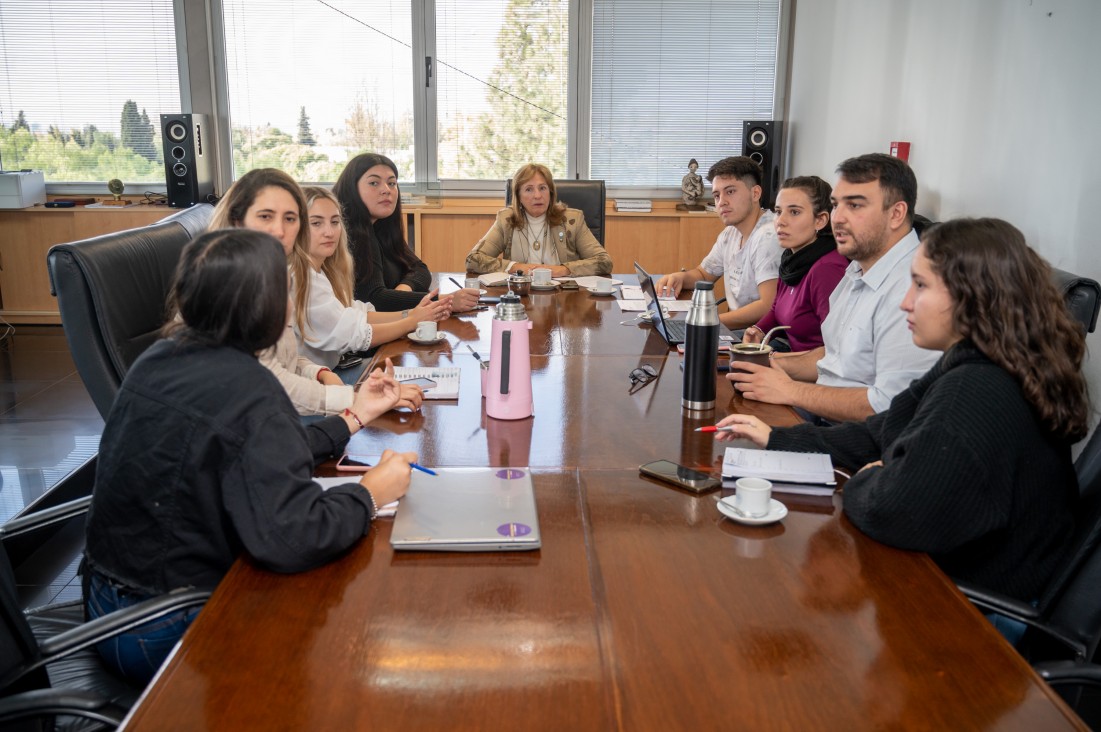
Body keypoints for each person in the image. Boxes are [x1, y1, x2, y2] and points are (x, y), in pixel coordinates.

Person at [82, 228, 418, 684]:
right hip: (162, 624)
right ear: (266, 307)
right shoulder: (248, 388)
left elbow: (252, 451)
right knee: (355, 633)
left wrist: (355, 417)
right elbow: (293, 536)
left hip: (106, 602)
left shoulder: (163, 356)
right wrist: (369, 494)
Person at [715, 217, 1088, 614]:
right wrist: (777, 439)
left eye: (922, 286)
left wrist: (872, 476)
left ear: (973, 297)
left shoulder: (979, 388)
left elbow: (891, 510)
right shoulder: (973, 361)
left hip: (979, 615)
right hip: (951, 576)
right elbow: (880, 431)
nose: (905, 301)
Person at [729, 153, 939, 422]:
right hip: (822, 412)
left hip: (850, 436)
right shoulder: (856, 270)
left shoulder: (911, 289)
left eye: (854, 206)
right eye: (837, 205)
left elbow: (886, 407)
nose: (837, 218)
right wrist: (765, 364)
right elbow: (831, 355)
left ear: (896, 213)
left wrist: (790, 390)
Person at [208, 168, 422, 416]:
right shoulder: (225, 285)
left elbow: (283, 359)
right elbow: (273, 383)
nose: (280, 230)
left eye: (289, 219)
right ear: (237, 220)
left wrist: (319, 373)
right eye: (266, 216)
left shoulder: (268, 276)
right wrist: (353, 400)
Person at [293, 186, 450, 368]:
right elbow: (356, 335)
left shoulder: (321, 271)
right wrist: (411, 321)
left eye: (335, 222)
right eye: (316, 223)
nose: (329, 232)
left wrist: (412, 314)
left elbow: (357, 314)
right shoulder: (302, 278)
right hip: (321, 380)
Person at [333, 153, 480, 313]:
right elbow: (374, 300)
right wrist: (446, 301)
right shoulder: (349, 233)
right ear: (352, 188)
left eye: (392, 183)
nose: (386, 190)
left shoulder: (381, 225)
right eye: (374, 183)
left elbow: (420, 269)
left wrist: (401, 291)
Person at [655, 156, 780, 330]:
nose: (721, 202)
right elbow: (704, 274)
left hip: (759, 340)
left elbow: (767, 307)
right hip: (737, 330)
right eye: (716, 195)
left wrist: (707, 322)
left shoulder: (769, 236)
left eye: (730, 192)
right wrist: (680, 277)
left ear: (755, 193)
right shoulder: (730, 233)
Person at [743, 176, 848, 352]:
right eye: (778, 211)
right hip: (789, 359)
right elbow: (777, 308)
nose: (780, 221)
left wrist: (774, 361)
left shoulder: (826, 270)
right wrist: (759, 330)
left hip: (812, 373)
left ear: (820, 220)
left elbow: (836, 350)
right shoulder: (792, 259)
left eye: (794, 212)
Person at [465, 162, 613, 277]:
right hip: (521, 296)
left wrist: (564, 270)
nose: (537, 195)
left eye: (542, 188)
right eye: (529, 189)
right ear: (519, 196)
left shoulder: (571, 220)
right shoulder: (506, 220)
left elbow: (604, 262)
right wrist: (513, 267)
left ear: (551, 192)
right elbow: (473, 260)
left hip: (564, 300)